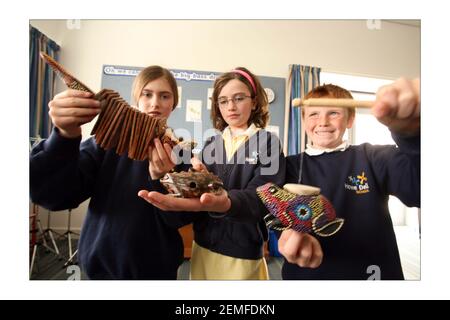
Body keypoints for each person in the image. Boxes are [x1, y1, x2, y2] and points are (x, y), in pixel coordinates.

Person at [30, 65, 192, 279]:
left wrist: (162, 178)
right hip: (101, 271)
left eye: (164, 96)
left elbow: (180, 219)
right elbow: (54, 196)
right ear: (136, 98)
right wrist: (63, 136)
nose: (155, 103)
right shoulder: (106, 142)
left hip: (156, 272)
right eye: (147, 94)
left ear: (173, 104)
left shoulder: (181, 154)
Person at [139, 67, 296, 279]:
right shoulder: (212, 143)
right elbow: (202, 193)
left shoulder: (268, 143)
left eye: (239, 98)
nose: (230, 107)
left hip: (242, 253)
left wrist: (226, 200)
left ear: (255, 101)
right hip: (203, 247)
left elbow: (264, 197)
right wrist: (198, 179)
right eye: (223, 101)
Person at [280, 78, 420, 280]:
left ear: (350, 119)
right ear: (303, 121)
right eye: (313, 114)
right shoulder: (287, 166)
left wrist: (411, 135)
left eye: (334, 113)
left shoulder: (374, 157)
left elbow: (420, 190)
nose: (323, 122)